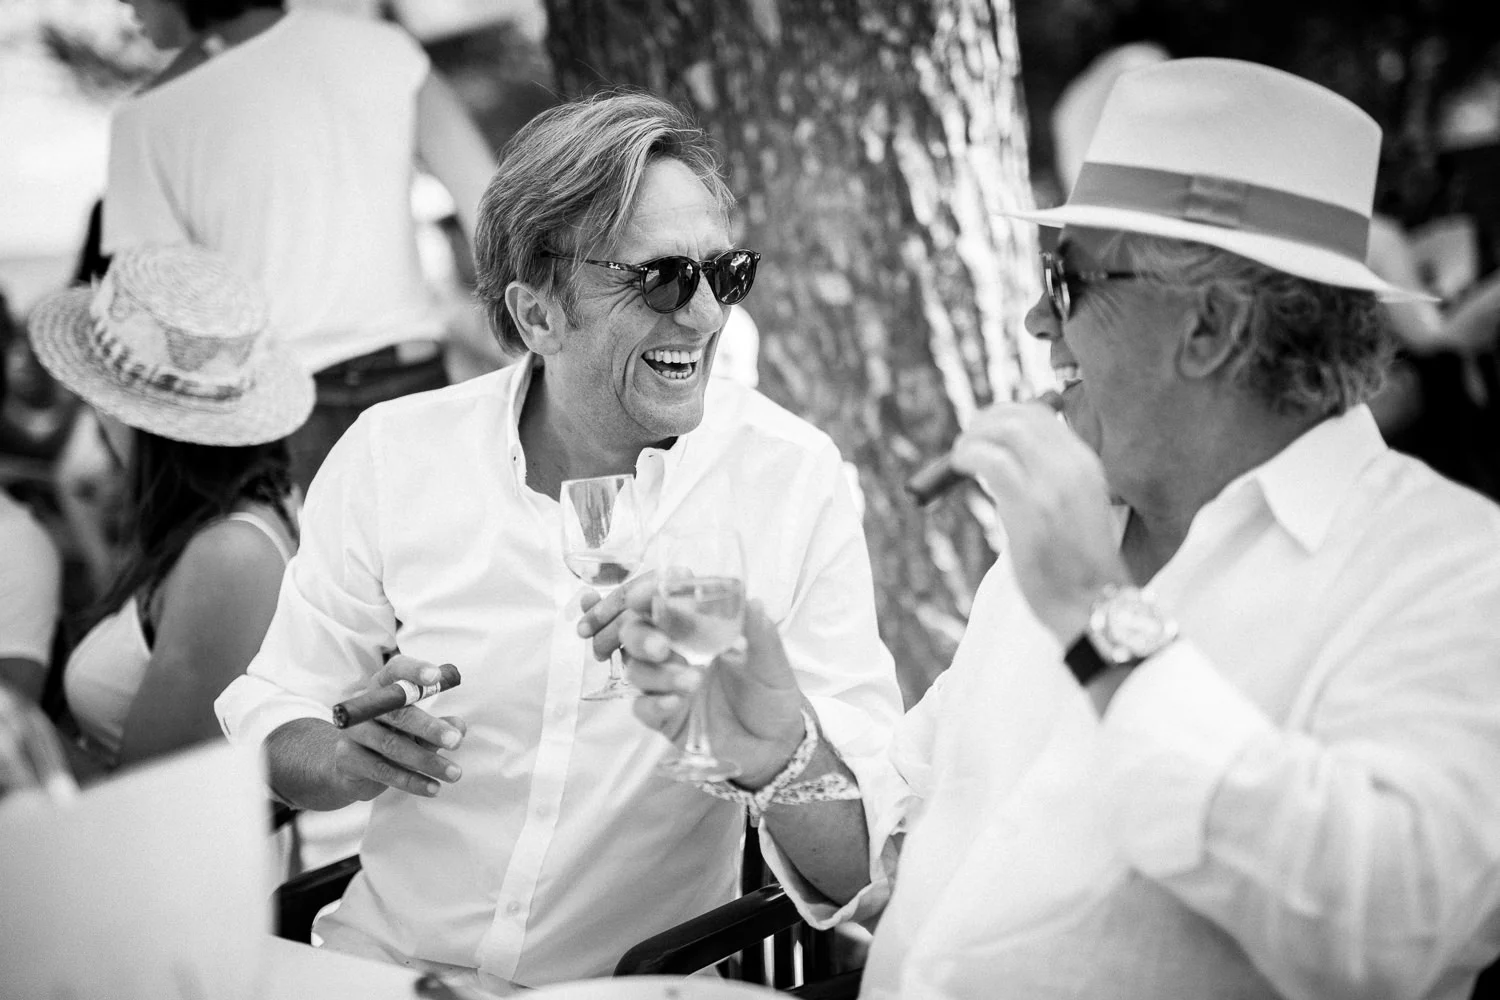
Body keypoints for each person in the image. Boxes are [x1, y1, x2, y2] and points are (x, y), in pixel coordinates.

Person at [614, 59, 1500, 999]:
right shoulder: (1073, 539)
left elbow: (1393, 926)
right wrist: (779, 752)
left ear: (1210, 327)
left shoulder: (1450, 569)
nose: (1037, 320)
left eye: (1067, 280)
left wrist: (1098, 618)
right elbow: (891, 869)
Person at [213, 92, 903, 989]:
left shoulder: (787, 480)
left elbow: (862, 871)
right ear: (538, 316)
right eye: (660, 280)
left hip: (627, 986)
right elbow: (273, 708)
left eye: (724, 274)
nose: (703, 317)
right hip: (384, 968)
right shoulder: (395, 453)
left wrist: (776, 753)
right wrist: (341, 759)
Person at [107, 0, 496, 489]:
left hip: (276, 409)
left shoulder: (144, 120)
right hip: (413, 378)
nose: (123, 4)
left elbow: (156, 311)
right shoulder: (381, 48)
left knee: (309, 567)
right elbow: (492, 205)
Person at [26, 243, 313, 776]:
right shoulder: (246, 508)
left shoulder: (231, 554)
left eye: (97, 397)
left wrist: (18, 726)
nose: (92, 415)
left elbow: (153, 802)